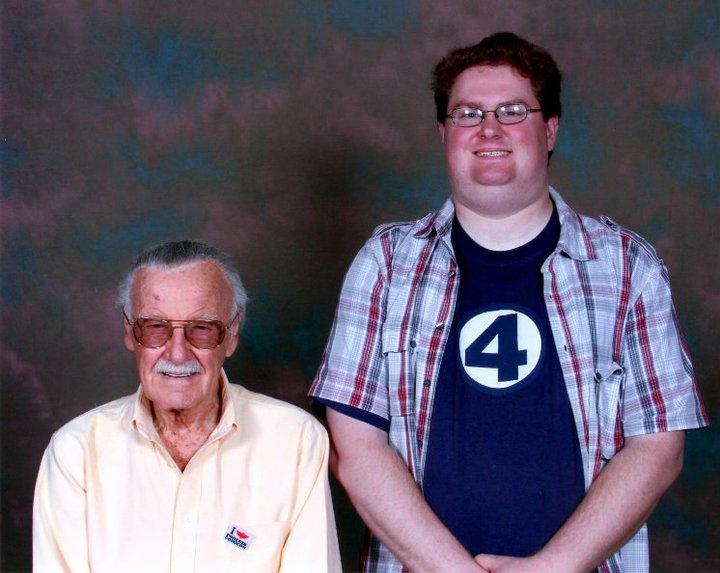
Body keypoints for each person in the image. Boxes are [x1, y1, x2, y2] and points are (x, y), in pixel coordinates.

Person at [309, 32, 708, 573]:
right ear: (444, 132)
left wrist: (552, 568)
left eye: (513, 111)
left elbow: (658, 447)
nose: (489, 128)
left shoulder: (628, 268)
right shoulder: (384, 265)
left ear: (550, 129)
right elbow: (353, 447)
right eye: (468, 113)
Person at [33, 240, 342, 573]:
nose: (177, 354)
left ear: (232, 333)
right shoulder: (75, 453)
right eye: (155, 328)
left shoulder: (295, 441)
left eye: (202, 329)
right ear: (129, 331)